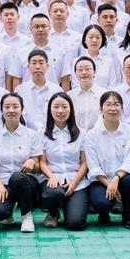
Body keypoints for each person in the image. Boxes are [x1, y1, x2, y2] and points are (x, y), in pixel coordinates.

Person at [83, 91, 130, 229]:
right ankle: (104, 213)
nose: (113, 108)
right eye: (108, 104)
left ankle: (127, 216)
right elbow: (93, 166)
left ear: (122, 108)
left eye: (116, 104)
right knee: (101, 203)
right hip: (100, 180)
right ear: (101, 108)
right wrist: (109, 184)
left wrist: (115, 179)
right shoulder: (91, 135)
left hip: (123, 178)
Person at [0, 93, 42, 232]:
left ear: (21, 109)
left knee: (17, 177)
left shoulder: (32, 134)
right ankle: (9, 209)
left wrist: (32, 162)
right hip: (3, 182)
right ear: (2, 110)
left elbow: (37, 166)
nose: (11, 110)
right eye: (7, 107)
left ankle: (26, 216)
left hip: (26, 182)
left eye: (15, 106)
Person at [40, 92, 89, 230]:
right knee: (55, 193)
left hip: (76, 180)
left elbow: (84, 163)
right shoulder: (42, 133)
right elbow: (42, 162)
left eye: (64, 107)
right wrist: (51, 176)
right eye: (56, 107)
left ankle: (68, 207)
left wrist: (73, 183)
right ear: (50, 110)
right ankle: (53, 212)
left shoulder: (82, 133)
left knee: (75, 223)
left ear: (71, 109)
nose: (60, 111)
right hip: (52, 179)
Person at [15, 50, 61, 132]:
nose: (37, 67)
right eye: (34, 63)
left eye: (41, 63)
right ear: (28, 66)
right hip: (27, 134)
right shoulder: (20, 90)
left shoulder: (56, 90)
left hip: (51, 133)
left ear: (47, 66)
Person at [68, 57, 105, 132]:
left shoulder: (103, 94)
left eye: (87, 69)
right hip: (76, 135)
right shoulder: (70, 96)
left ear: (94, 72)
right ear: (75, 73)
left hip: (98, 135)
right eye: (80, 70)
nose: (84, 72)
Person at [74, 24, 117, 88]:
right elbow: (75, 85)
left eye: (98, 37)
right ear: (85, 40)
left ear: (102, 40)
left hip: (105, 94)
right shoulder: (76, 61)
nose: (94, 40)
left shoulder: (109, 62)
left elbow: (112, 85)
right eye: (91, 37)